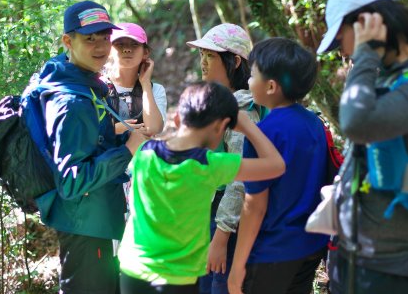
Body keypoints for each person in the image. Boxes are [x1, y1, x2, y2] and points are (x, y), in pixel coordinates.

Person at [317, 0, 408, 293]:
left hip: (397, 269)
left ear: (365, 24)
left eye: (341, 39)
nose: (343, 52)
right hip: (370, 261)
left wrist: (365, 55)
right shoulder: (395, 79)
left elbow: (354, 122)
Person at [117, 81, 286, 294]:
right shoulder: (210, 165)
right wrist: (247, 126)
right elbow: (276, 166)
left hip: (133, 270)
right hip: (179, 278)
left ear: (177, 118)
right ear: (221, 127)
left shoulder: (144, 154)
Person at [32, 0, 145, 294]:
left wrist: (122, 139)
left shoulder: (75, 80)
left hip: (92, 221)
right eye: (89, 38)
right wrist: (127, 150)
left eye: (105, 37)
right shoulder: (71, 101)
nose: (101, 47)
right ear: (68, 41)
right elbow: (71, 181)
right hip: (86, 227)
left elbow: (92, 143)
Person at [228, 37, 329, 294]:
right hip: (311, 244)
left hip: (273, 250)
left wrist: (238, 264)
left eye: (252, 75)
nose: (249, 81)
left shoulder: (263, 133)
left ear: (271, 86)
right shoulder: (315, 124)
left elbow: (255, 205)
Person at [186, 23, 260, 294]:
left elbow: (240, 177)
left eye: (212, 56)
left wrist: (221, 237)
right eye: (202, 55)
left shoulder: (242, 108)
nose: (203, 63)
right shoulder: (219, 103)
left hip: (227, 222)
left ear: (235, 61)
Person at [104, 22, 167, 137]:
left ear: (145, 52)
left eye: (134, 45)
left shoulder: (155, 90)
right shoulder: (98, 86)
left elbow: (153, 129)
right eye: (120, 44)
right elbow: (87, 133)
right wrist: (113, 129)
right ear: (109, 51)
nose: (127, 49)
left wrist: (145, 84)